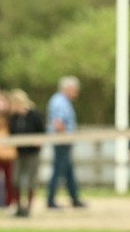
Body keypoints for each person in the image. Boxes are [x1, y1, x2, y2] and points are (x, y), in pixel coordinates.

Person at [46, 75, 85, 209]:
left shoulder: (63, 101)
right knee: (58, 170)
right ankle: (50, 199)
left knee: (68, 171)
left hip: (64, 140)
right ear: (67, 88)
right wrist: (65, 138)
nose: (76, 93)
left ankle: (74, 197)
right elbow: (58, 123)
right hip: (61, 141)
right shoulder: (60, 102)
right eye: (74, 89)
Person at [7, 89, 43, 218]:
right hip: (19, 153)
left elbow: (41, 132)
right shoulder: (14, 118)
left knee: (30, 180)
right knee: (16, 179)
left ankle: (28, 207)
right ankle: (18, 206)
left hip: (32, 153)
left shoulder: (34, 115)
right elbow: (12, 134)